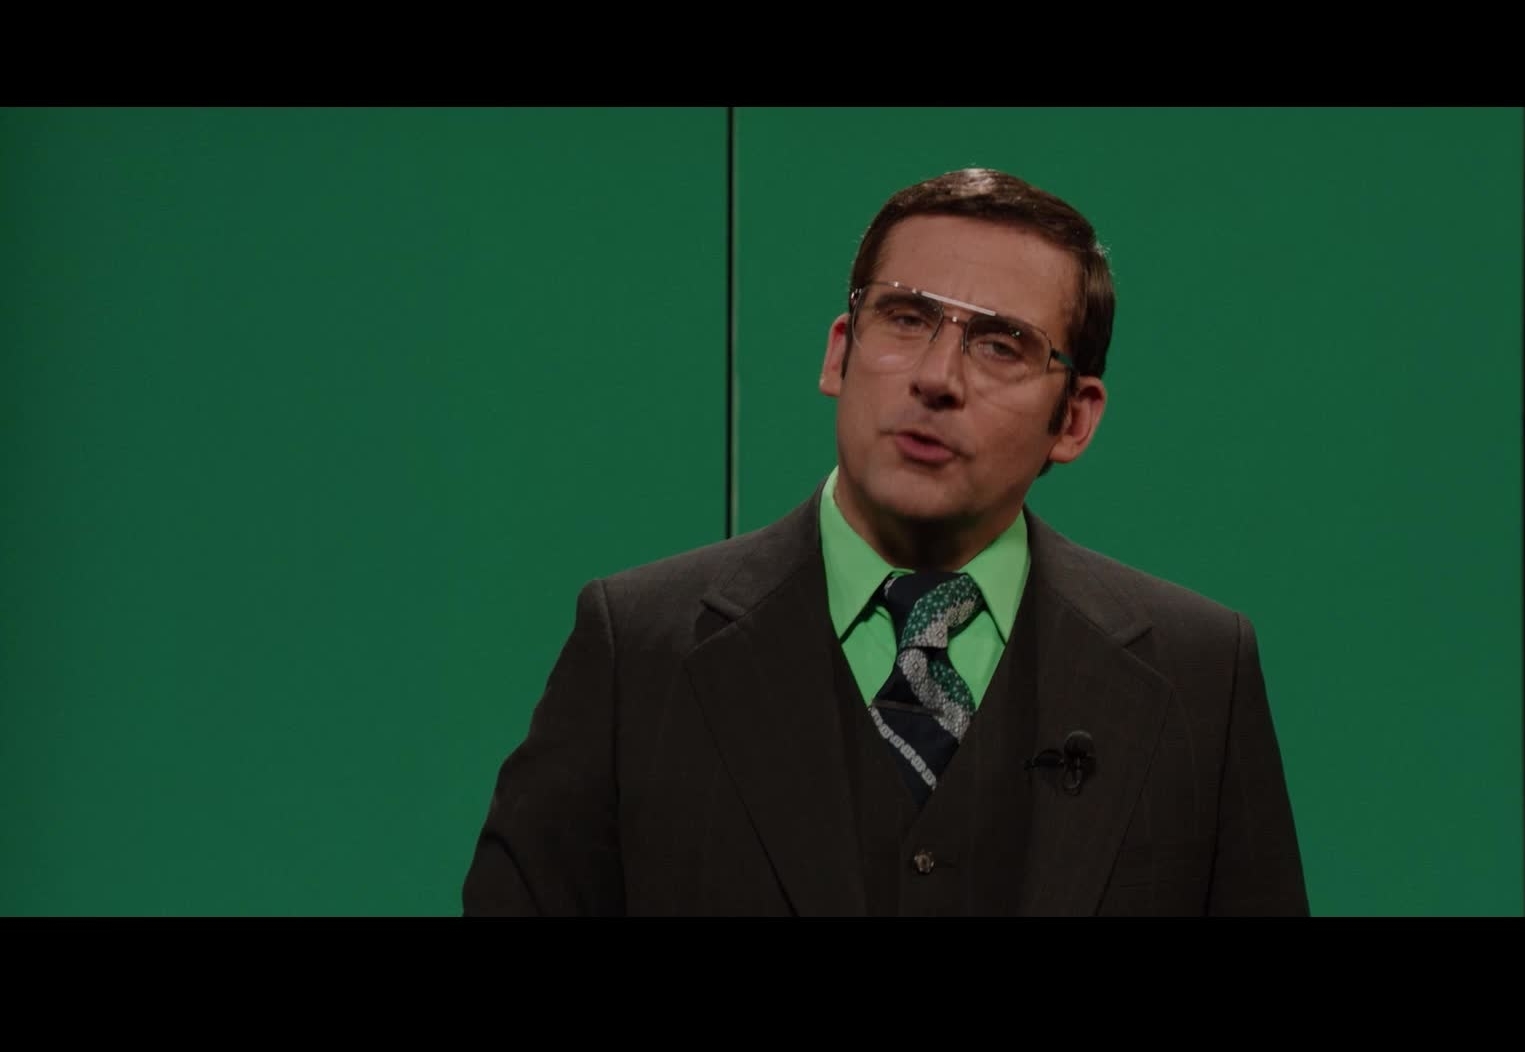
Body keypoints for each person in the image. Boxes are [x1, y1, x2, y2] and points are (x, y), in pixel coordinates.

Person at [462, 167, 1309, 916]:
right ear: (841, 353)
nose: (937, 378)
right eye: (906, 318)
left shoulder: (1200, 675)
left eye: (1001, 345)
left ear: (1075, 420)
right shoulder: (636, 651)